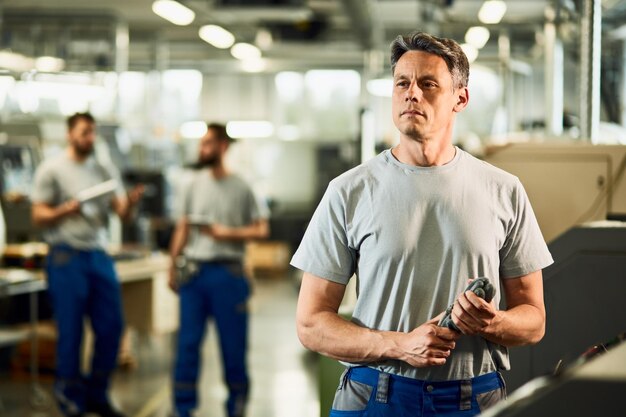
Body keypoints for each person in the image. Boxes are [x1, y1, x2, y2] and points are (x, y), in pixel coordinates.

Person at [292, 31, 554, 417]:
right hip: (375, 393)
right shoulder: (349, 191)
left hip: (472, 397)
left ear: (460, 99)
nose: (411, 93)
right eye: (402, 83)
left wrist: (491, 322)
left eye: (428, 84)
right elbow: (311, 324)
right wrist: (399, 345)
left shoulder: (503, 190)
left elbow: (533, 321)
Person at [31, 112, 143, 417]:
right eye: (84, 133)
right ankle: (68, 396)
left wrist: (130, 203)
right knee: (71, 332)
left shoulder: (104, 169)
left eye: (93, 133)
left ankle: (97, 394)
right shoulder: (51, 169)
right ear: (70, 135)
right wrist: (66, 209)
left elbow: (122, 213)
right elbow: (38, 215)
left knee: (111, 326)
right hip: (66, 256)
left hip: (97, 255)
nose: (90, 138)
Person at [168, 123, 269, 417]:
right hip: (195, 276)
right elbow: (183, 228)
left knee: (233, 348)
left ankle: (236, 406)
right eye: (201, 144)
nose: (202, 149)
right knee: (187, 346)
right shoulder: (191, 183)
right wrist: (171, 265)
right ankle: (182, 408)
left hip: (229, 275)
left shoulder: (243, 185)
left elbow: (262, 228)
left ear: (223, 146)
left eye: (208, 143)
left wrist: (225, 233)